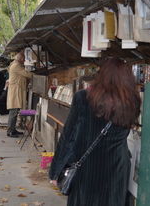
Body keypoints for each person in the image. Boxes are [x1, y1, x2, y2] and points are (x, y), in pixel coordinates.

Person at [49, 58, 141, 206]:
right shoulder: (132, 103)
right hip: (116, 169)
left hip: (86, 169)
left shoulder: (83, 98)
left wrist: (56, 170)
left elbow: (69, 136)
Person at [6, 51, 33, 138]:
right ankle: (10, 131)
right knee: (13, 112)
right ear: (21, 59)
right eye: (24, 59)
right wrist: (36, 75)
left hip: (16, 91)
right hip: (15, 92)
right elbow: (27, 74)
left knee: (15, 111)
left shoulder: (15, 64)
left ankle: (13, 129)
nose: (24, 60)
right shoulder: (16, 66)